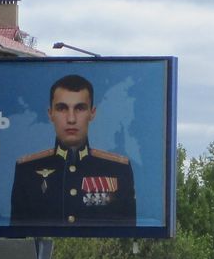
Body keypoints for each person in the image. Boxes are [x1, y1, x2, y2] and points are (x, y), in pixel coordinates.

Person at [10, 74, 136, 226]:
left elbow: (127, 233)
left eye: (80, 108)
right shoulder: (27, 170)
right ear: (50, 114)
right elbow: (18, 236)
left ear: (92, 113)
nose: (71, 119)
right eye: (62, 108)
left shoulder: (117, 169)